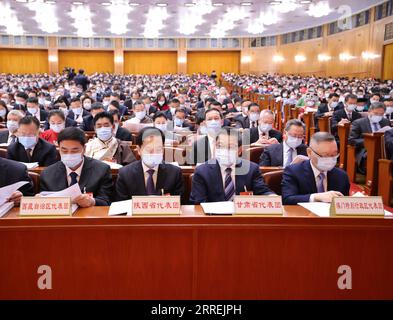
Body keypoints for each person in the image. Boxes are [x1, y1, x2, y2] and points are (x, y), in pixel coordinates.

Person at [190, 128, 274, 204]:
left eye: (230, 147)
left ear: (240, 150)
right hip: (213, 218)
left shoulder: (251, 169)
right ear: (215, 147)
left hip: (243, 217)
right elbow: (198, 202)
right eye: (220, 146)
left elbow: (262, 191)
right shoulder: (202, 172)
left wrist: (272, 198)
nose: (224, 151)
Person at [40, 127, 113, 207]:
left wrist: (92, 201)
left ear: (84, 149)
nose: (69, 154)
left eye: (74, 150)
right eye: (64, 150)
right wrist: (40, 200)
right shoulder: (47, 174)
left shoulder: (102, 170)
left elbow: (106, 201)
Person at [115, 127, 183, 200]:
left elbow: (179, 203)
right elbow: (122, 204)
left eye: (158, 149)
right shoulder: (125, 174)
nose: (154, 154)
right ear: (139, 150)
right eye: (149, 150)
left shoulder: (175, 173)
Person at [282, 132, 350, 205]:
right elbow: (287, 199)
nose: (330, 159)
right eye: (325, 155)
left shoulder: (341, 176)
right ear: (309, 152)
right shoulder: (294, 171)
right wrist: (316, 197)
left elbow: (343, 204)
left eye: (334, 155)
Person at [349, 102, 391, 173]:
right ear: (369, 111)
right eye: (376, 113)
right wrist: (369, 142)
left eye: (381, 114)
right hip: (366, 149)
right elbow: (352, 140)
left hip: (384, 147)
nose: (378, 116)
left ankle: (388, 173)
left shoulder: (385, 121)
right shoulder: (358, 123)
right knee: (374, 154)